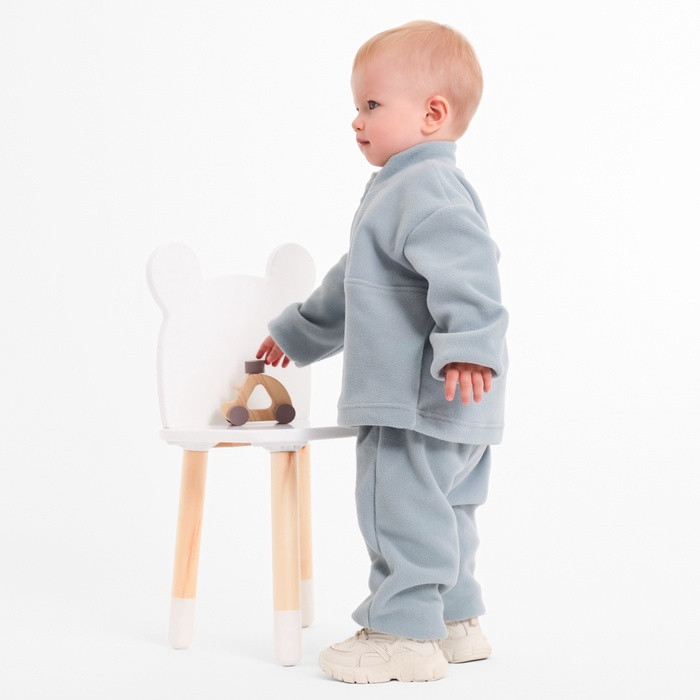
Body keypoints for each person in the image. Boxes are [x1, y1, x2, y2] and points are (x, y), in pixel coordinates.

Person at [257, 19, 508, 684]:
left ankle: (402, 634)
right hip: (458, 400)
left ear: (432, 114)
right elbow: (355, 284)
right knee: (447, 513)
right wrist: (300, 332)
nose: (356, 120)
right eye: (356, 105)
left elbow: (471, 268)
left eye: (371, 104)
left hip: (412, 397)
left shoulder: (419, 189)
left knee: (398, 511)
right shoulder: (415, 189)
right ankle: (454, 621)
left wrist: (469, 346)